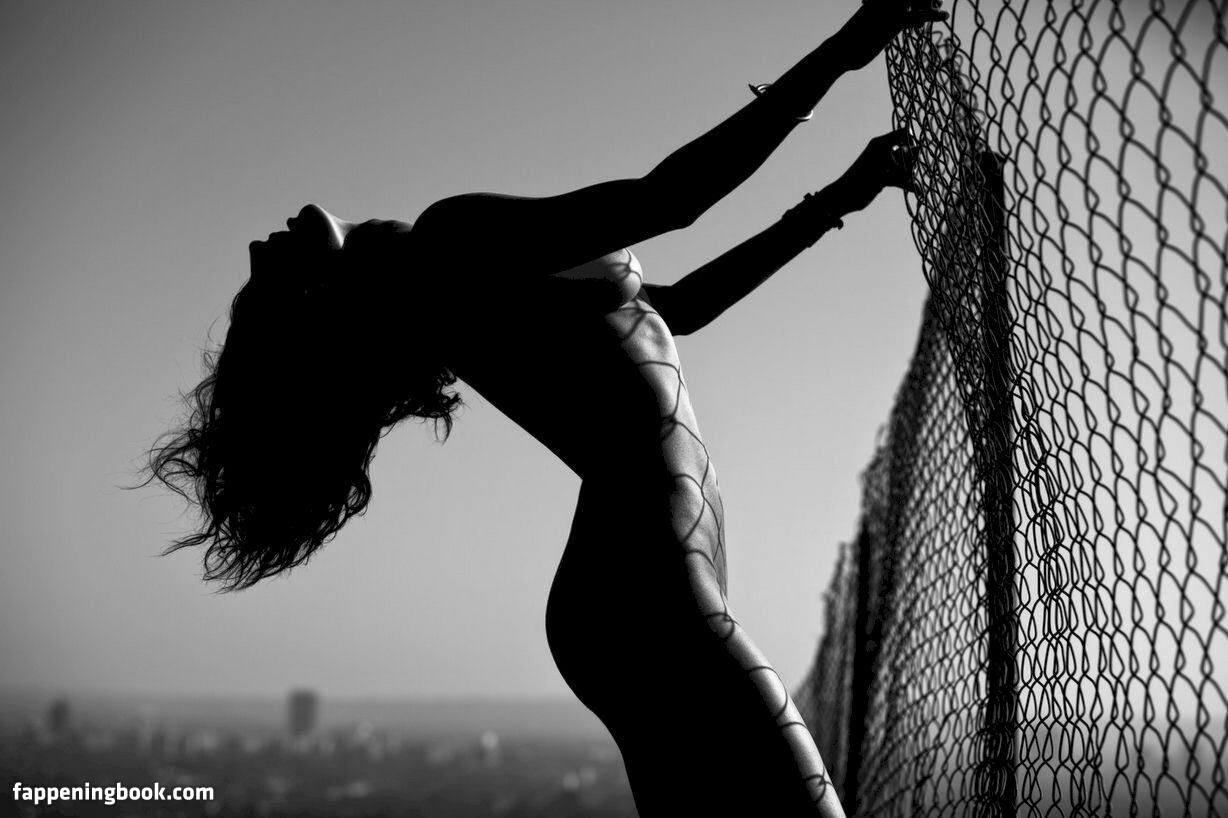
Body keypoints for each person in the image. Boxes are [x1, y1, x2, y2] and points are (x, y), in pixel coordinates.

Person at [142, 0, 944, 814]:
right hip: (644, 579)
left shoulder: (443, 286)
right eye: (267, 280)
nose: (256, 246)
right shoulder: (446, 245)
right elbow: (669, 200)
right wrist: (848, 46)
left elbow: (677, 310)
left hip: (635, 584)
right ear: (316, 306)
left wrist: (834, 201)